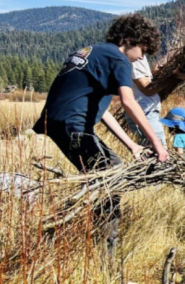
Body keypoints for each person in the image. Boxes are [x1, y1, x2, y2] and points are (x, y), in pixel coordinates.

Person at [33, 13, 169, 254]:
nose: (142, 57)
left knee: (106, 172)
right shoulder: (118, 59)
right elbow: (129, 101)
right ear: (129, 39)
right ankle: (104, 251)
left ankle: (73, 228)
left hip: (62, 122)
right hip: (71, 123)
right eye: (143, 50)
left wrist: (133, 146)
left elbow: (102, 112)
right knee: (110, 178)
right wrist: (157, 144)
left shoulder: (95, 52)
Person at [126, 52, 166, 148]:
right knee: (158, 151)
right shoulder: (135, 58)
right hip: (145, 111)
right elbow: (147, 89)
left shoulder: (137, 56)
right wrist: (175, 76)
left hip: (144, 110)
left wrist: (153, 73)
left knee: (149, 151)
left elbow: (140, 82)